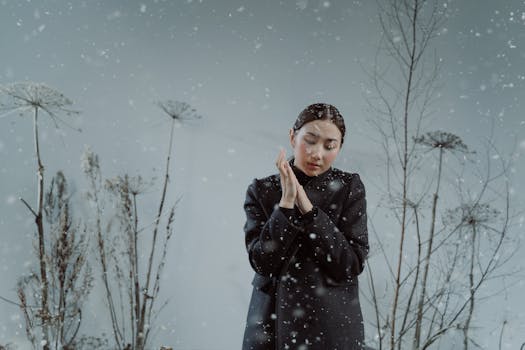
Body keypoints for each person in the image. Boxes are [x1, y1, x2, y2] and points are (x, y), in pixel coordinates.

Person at [242, 103, 369, 350]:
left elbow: (350, 264)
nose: (317, 153)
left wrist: (311, 213)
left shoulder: (348, 188)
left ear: (339, 147)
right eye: (309, 141)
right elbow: (262, 262)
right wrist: (287, 203)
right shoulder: (263, 191)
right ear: (292, 137)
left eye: (329, 146)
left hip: (331, 325)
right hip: (270, 326)